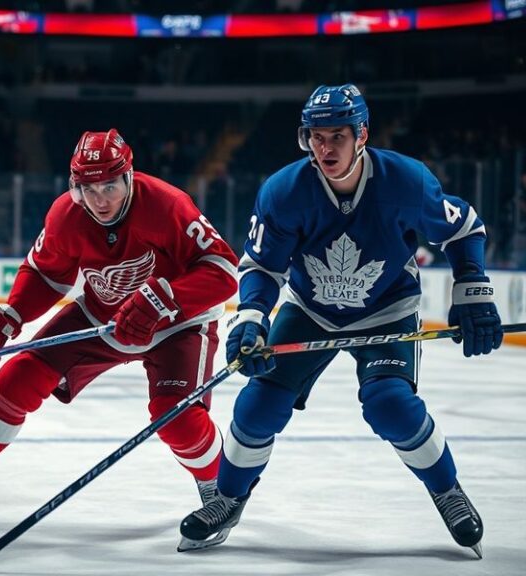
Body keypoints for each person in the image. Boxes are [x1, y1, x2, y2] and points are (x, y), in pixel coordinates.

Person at [178, 84, 502, 559]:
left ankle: (447, 490)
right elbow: (263, 267)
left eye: (336, 137)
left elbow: (464, 227)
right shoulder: (285, 192)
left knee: (391, 406)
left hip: (386, 310)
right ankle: (227, 498)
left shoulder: (406, 183)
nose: (324, 148)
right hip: (310, 310)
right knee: (257, 406)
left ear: (362, 135)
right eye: (315, 136)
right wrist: (250, 318)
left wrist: (472, 289)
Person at [0, 129, 238, 524]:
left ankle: (221, 493)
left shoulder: (168, 205)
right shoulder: (65, 215)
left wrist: (164, 299)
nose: (100, 199)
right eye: (88, 188)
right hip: (103, 316)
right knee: (17, 377)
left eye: (110, 184)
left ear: (129, 176)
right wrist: (12, 316)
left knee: (176, 416)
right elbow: (44, 274)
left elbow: (224, 271)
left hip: (179, 322)